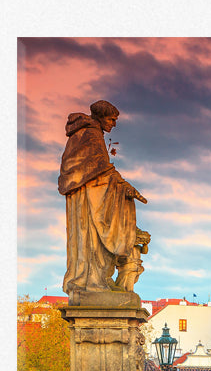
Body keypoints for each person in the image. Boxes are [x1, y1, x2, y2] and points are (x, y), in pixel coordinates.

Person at [58, 100, 148, 295]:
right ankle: (91, 282)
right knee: (91, 239)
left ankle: (93, 280)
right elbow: (99, 168)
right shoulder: (90, 134)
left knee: (91, 241)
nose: (114, 124)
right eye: (112, 119)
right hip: (88, 199)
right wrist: (124, 187)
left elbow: (99, 167)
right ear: (100, 116)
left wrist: (121, 184)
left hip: (87, 194)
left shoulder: (85, 133)